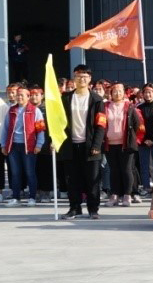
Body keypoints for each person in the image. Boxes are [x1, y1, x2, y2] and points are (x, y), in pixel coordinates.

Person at [60, 66, 106, 220]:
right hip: (70, 145)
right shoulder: (66, 98)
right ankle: (75, 208)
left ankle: (93, 209)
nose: (82, 79)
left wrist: (96, 145)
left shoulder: (97, 100)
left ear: (90, 79)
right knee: (72, 180)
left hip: (90, 146)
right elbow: (58, 122)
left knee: (92, 180)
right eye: (79, 76)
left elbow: (101, 124)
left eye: (85, 76)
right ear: (74, 78)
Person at [1, 81, 45, 206]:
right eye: (18, 95)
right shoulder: (11, 110)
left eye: (22, 95)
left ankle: (32, 197)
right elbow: (5, 128)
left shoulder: (35, 111)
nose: (19, 97)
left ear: (28, 97)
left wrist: (39, 144)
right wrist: (3, 145)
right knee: (15, 173)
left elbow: (40, 129)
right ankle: (16, 197)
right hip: (13, 146)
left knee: (30, 172)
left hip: (29, 146)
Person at [104, 82, 144, 207]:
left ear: (124, 93)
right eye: (115, 91)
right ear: (111, 93)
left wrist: (133, 139)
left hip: (126, 144)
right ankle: (115, 195)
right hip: (110, 144)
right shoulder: (105, 106)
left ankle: (127, 194)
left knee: (126, 170)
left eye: (120, 91)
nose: (117, 93)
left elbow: (138, 124)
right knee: (114, 170)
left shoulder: (130, 107)